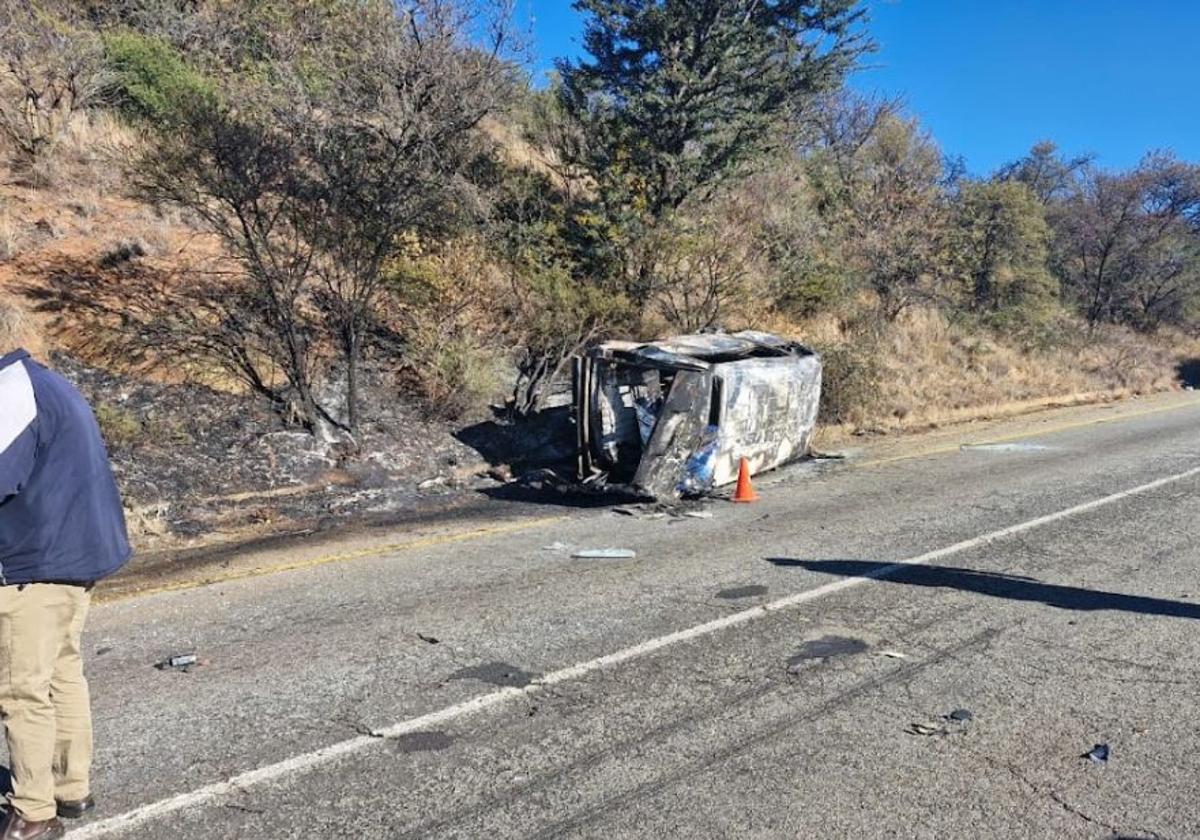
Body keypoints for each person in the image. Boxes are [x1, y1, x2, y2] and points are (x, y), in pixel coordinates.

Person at [0, 301, 131, 840]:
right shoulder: (46, 383)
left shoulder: (9, 392)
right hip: (74, 558)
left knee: (20, 690)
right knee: (60, 674)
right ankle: (70, 788)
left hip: (33, 563)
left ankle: (32, 812)